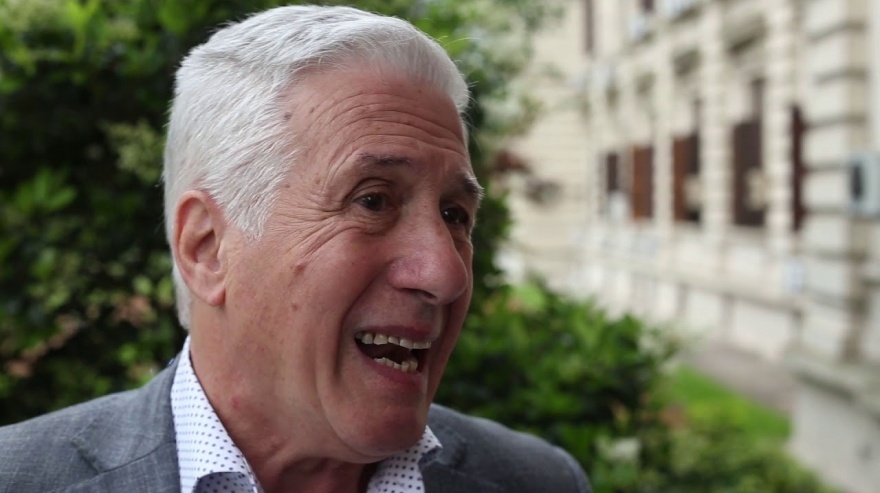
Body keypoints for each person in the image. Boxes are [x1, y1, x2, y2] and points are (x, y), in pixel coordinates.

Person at [0, 5, 591, 493]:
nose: (445, 274)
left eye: (455, 215)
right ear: (207, 248)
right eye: (373, 201)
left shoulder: (539, 481)